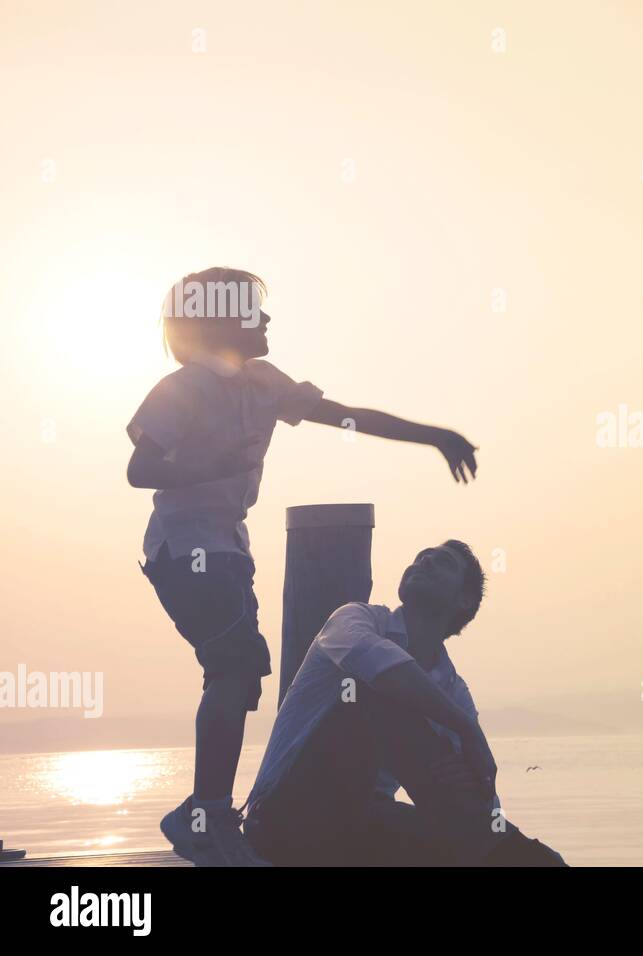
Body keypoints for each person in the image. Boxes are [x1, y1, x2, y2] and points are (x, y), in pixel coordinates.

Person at [127, 267, 479, 866]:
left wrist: (433, 436)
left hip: (229, 550)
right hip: (185, 547)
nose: (267, 319)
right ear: (219, 320)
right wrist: (213, 465)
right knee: (234, 665)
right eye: (254, 310)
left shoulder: (264, 384)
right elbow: (141, 470)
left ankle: (205, 810)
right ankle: (207, 815)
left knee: (242, 677)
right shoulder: (180, 389)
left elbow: (351, 418)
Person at [243, 541, 566, 866]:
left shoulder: (453, 692)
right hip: (283, 818)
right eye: (421, 556)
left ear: (464, 600)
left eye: (442, 562)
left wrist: (475, 788)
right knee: (368, 687)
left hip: (363, 826)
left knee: (535, 858)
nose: (424, 561)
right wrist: (467, 731)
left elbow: (477, 795)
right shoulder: (355, 619)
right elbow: (377, 664)